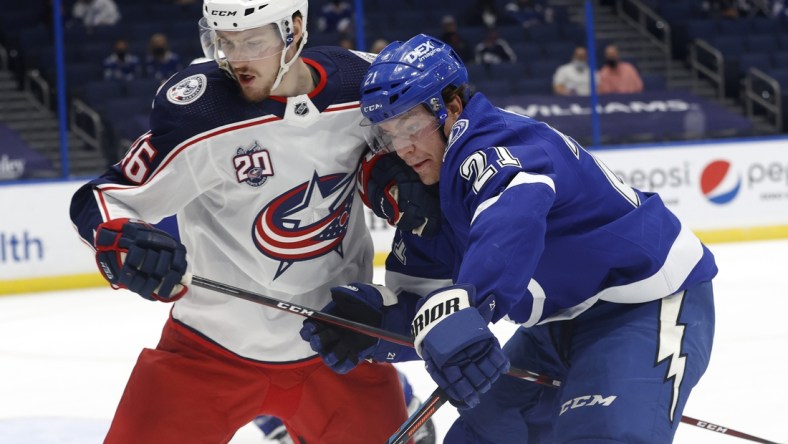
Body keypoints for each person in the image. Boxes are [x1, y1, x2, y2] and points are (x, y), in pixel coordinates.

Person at [303, 34, 718, 443]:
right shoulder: (430, 197)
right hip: (557, 325)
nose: (404, 149)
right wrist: (373, 326)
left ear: (451, 108)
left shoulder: (497, 144)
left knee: (602, 436)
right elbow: (427, 304)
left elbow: (510, 217)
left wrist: (473, 301)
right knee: (483, 433)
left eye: (411, 126)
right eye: (390, 135)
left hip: (643, 305)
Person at [69, 1, 438, 442]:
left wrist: (393, 180)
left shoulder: (359, 83)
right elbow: (103, 197)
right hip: (208, 352)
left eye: (252, 41)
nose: (236, 59)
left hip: (339, 347)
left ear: (294, 30)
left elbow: (402, 157)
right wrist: (123, 241)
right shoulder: (199, 112)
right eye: (225, 42)